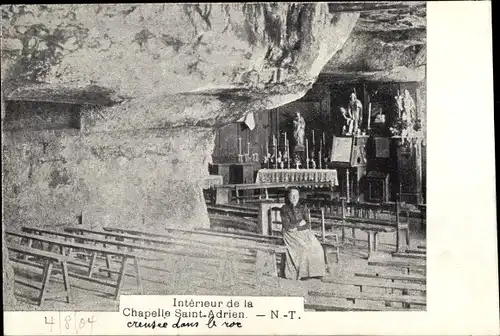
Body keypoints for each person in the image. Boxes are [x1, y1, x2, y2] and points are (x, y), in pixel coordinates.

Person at [280, 188, 326, 280]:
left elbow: (308, 224)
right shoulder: (284, 208)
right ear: (288, 197)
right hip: (290, 234)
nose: (294, 197)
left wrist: (299, 227)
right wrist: (299, 224)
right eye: (292, 196)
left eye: (296, 195)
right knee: (303, 247)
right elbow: (287, 226)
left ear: (298, 196)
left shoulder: (303, 207)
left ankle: (315, 272)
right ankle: (303, 274)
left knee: (317, 247)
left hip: (303, 232)